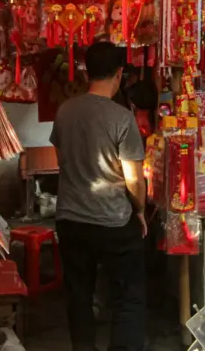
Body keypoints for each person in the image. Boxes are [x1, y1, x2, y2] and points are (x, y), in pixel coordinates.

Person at [50, 41, 147, 351]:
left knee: (79, 295)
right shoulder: (122, 118)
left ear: (87, 72)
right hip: (114, 221)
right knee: (128, 297)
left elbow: (61, 159)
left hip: (71, 219)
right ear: (119, 74)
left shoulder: (65, 111)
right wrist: (141, 211)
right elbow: (134, 178)